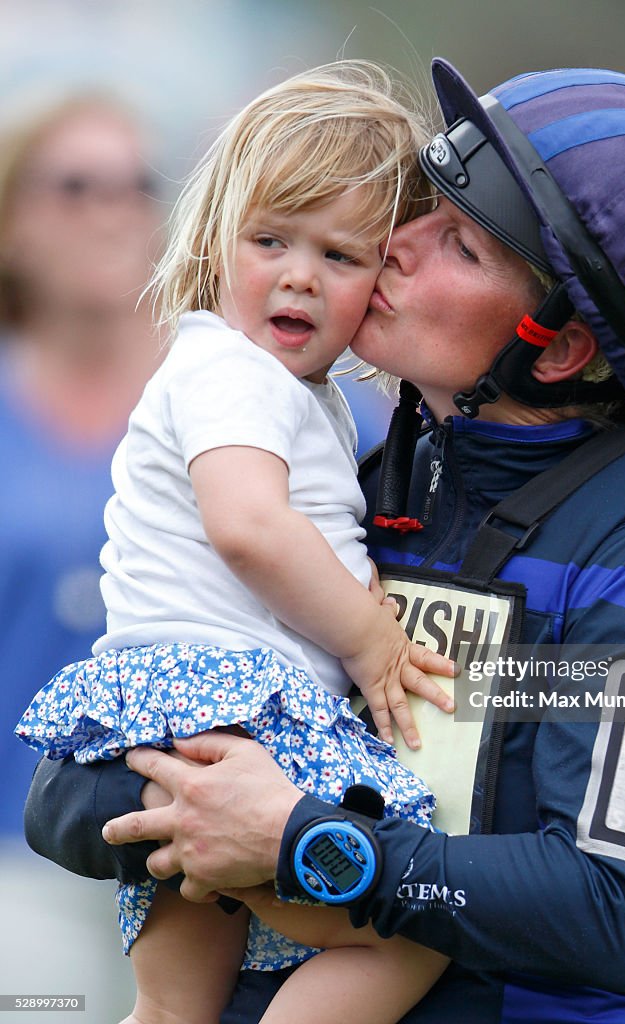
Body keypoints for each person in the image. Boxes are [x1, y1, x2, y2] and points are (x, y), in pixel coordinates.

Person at [24, 59, 625, 1024]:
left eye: (462, 246)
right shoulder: (367, 483)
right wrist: (187, 797)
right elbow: (63, 805)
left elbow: (611, 909)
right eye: (424, 205)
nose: (395, 243)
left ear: (558, 347)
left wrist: (305, 843)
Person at [16, 62, 457, 1024]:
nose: (299, 273)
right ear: (216, 241)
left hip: (191, 710)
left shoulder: (294, 393)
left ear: (382, 282)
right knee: (416, 921)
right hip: (232, 712)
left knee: (177, 1004)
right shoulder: (234, 368)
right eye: (270, 240)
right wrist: (370, 639)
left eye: (341, 257)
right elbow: (251, 528)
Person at [0, 90, 164, 1016]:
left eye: (133, 187)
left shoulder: (231, 394)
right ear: (14, 222)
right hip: (18, 867)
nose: (111, 212)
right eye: (75, 187)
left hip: (213, 865)